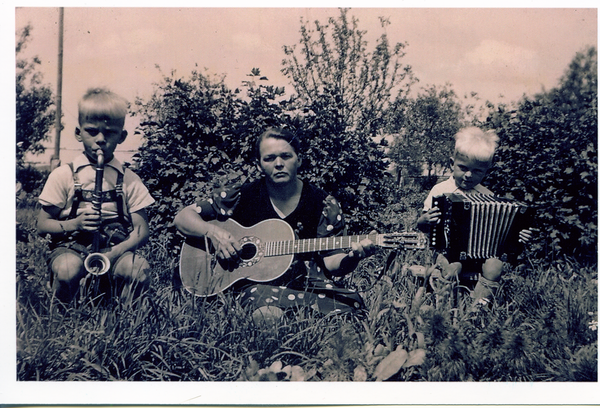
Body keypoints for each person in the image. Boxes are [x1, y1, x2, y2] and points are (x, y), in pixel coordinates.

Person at [174, 128, 376, 324]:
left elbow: (332, 261)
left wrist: (352, 258)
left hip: (305, 284)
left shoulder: (322, 203)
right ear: (259, 165)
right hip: (253, 287)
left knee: (353, 305)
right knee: (268, 314)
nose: (279, 164)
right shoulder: (242, 196)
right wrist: (213, 233)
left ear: (299, 160)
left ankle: (299, 321)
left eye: (286, 156)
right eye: (269, 158)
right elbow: (183, 217)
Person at [37, 88, 155, 304]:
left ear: (122, 136)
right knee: (67, 269)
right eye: (92, 131)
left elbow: (142, 230)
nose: (100, 140)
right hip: (70, 246)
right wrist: (75, 224)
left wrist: (114, 253)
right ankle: (62, 316)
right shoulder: (64, 174)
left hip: (114, 248)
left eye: (109, 133)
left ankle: (124, 321)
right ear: (78, 132)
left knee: (140, 270)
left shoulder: (129, 178)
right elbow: (43, 225)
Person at [416, 127, 532, 308]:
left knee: (495, 266)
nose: (469, 175)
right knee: (454, 267)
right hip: (447, 253)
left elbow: (501, 234)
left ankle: (476, 309)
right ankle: (442, 311)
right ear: (451, 163)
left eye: (477, 171)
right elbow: (423, 225)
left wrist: (519, 237)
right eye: (463, 168)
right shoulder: (440, 191)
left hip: (478, 257)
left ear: (487, 170)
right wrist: (424, 221)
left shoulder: (488, 195)